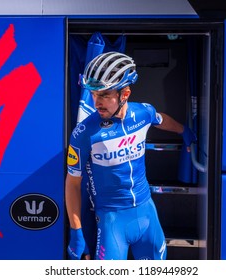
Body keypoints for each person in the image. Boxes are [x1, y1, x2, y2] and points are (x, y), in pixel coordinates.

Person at [65, 51, 195, 260]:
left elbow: (161, 119)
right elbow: (72, 184)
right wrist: (76, 230)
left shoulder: (143, 113)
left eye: (104, 95)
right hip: (111, 221)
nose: (97, 102)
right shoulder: (84, 132)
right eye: (94, 94)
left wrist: (184, 131)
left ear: (124, 94)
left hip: (147, 214)